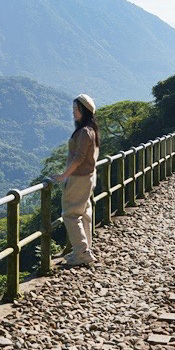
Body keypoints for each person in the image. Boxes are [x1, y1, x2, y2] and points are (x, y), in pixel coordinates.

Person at [52, 94, 100, 266]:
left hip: (79, 179)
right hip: (88, 177)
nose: (73, 113)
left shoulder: (84, 132)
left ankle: (81, 252)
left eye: (76, 110)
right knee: (84, 213)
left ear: (84, 111)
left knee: (70, 215)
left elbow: (79, 158)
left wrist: (63, 176)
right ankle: (84, 250)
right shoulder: (92, 130)